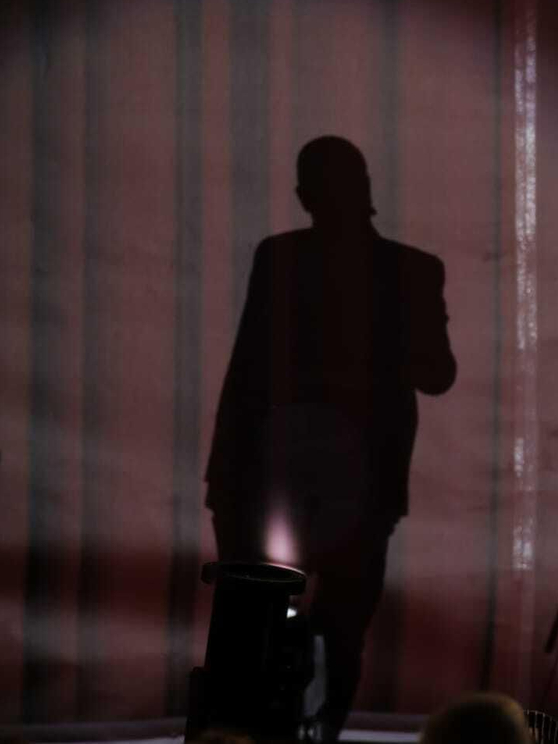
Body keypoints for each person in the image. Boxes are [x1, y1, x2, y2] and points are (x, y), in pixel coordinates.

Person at [205, 135, 457, 742]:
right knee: (331, 631)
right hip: (338, 481)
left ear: (305, 196)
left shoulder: (287, 260)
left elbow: (250, 371)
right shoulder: (408, 270)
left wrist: (226, 473)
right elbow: (437, 374)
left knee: (276, 632)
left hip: (284, 477)